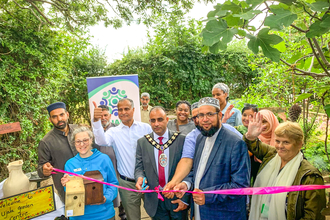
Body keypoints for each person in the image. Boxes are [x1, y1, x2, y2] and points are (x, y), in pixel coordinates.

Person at [174, 97, 250, 220]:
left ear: (219, 115)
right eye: (201, 115)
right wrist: (186, 184)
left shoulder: (235, 143)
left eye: (210, 114)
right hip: (201, 212)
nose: (204, 119)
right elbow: (197, 171)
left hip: (223, 214)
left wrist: (208, 196)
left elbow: (240, 185)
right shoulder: (200, 138)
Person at [244, 113, 326, 220]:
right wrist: (250, 135)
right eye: (277, 141)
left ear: (299, 144)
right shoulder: (272, 155)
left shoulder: (310, 176)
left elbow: (312, 215)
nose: (280, 146)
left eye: (286, 142)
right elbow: (253, 145)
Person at [163, 102, 243, 195]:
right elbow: (190, 163)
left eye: (209, 114)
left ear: (219, 115)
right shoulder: (197, 137)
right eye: (198, 116)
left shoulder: (231, 134)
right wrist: (177, 182)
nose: (202, 119)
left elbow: (239, 182)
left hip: (224, 202)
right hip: (199, 199)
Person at [92, 98, 152, 220]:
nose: (123, 112)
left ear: (133, 110)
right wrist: (96, 121)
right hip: (127, 184)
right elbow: (101, 141)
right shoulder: (113, 132)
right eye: (120, 110)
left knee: (156, 214)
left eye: (126, 109)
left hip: (148, 182)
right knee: (132, 217)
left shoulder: (146, 128)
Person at [135, 106, 189, 219]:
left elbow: (189, 170)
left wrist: (185, 198)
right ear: (149, 121)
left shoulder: (181, 140)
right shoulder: (143, 142)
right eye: (153, 120)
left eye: (160, 119)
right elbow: (139, 168)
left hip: (177, 197)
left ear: (167, 119)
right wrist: (139, 178)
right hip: (155, 201)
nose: (156, 124)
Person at [61, 126, 118, 220]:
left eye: (85, 140)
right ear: (74, 143)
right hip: (79, 217)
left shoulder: (104, 159)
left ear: (91, 140)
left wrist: (106, 198)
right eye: (78, 141)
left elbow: (113, 184)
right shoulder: (70, 164)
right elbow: (70, 192)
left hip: (104, 215)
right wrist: (66, 185)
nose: (82, 144)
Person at [37, 102, 78, 203]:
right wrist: (44, 170)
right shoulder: (46, 142)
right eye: (54, 117)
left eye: (61, 115)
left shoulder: (80, 131)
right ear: (50, 119)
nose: (59, 119)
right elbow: (41, 168)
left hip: (88, 181)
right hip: (66, 188)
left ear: (67, 114)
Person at [96, 104, 126, 220]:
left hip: (117, 167)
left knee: (121, 193)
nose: (103, 118)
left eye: (105, 115)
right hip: (100, 170)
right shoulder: (93, 132)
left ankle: (123, 213)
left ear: (110, 115)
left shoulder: (118, 129)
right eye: (100, 116)